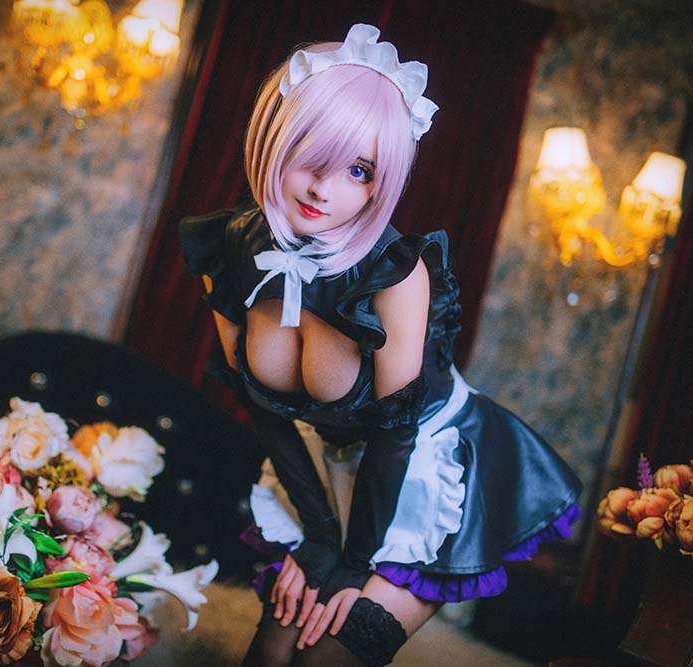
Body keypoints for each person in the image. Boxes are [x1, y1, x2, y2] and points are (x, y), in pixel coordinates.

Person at [179, 24, 582, 667]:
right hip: (328, 471)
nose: (324, 188)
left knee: (326, 655)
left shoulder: (396, 273)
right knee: (272, 653)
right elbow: (265, 409)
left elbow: (396, 438)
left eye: (359, 170)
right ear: (273, 135)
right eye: (310, 153)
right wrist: (318, 536)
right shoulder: (227, 245)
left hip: (425, 468)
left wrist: (351, 562)